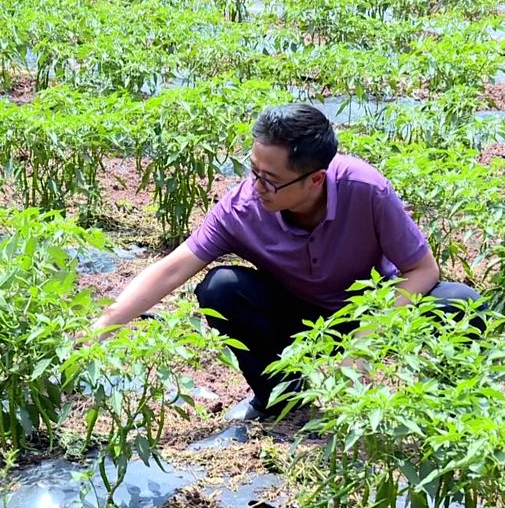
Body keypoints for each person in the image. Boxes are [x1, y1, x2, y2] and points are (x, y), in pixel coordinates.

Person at [92, 104, 482, 420]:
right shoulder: (243, 207)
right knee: (221, 288)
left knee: (459, 303)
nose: (256, 186)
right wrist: (103, 326)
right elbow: (173, 267)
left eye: (270, 179)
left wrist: (367, 340)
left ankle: (445, 413)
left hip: (373, 309)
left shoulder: (364, 189)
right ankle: (279, 399)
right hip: (297, 317)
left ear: (314, 180)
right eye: (253, 170)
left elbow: (424, 270)